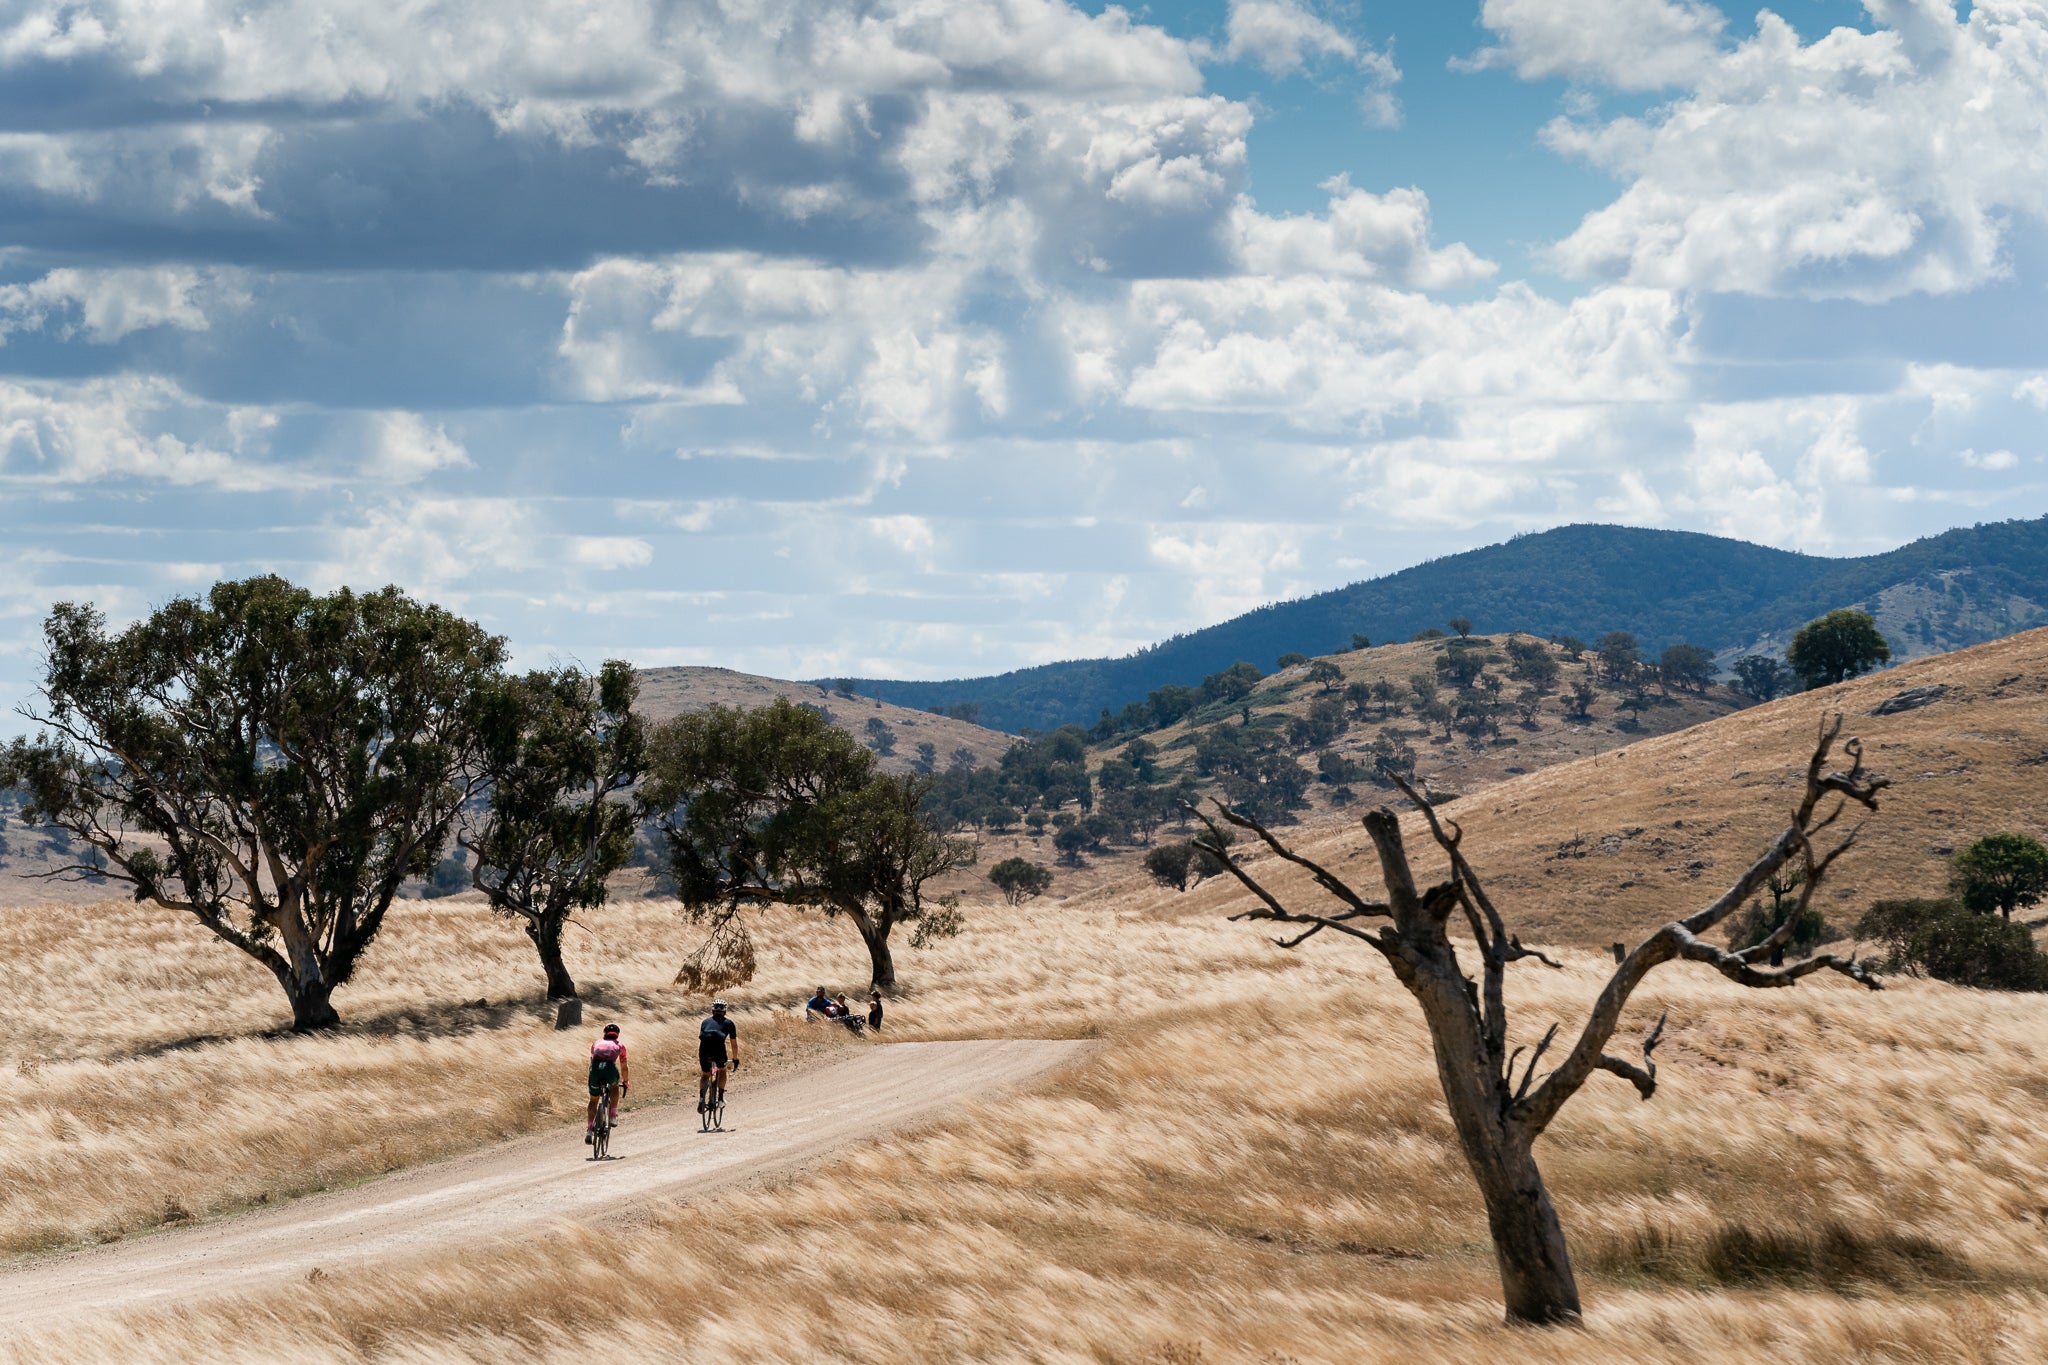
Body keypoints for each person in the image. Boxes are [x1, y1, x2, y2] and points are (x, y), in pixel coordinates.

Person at [586, 1023, 628, 1142]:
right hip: (610, 1068)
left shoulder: (596, 1043)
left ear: (604, 1033)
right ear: (617, 1035)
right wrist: (626, 1081)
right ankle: (613, 1116)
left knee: (593, 1100)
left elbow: (591, 1060)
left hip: (595, 1069)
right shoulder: (620, 1045)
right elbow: (624, 1067)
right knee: (614, 1087)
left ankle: (589, 1129)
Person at [698, 999, 740, 1112]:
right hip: (718, 1050)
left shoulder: (705, 1022)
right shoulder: (729, 1023)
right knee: (722, 1070)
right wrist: (735, 1059)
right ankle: (720, 1098)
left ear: (712, 1011)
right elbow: (734, 1045)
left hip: (704, 1050)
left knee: (706, 1074)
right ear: (725, 1012)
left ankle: (701, 1098)